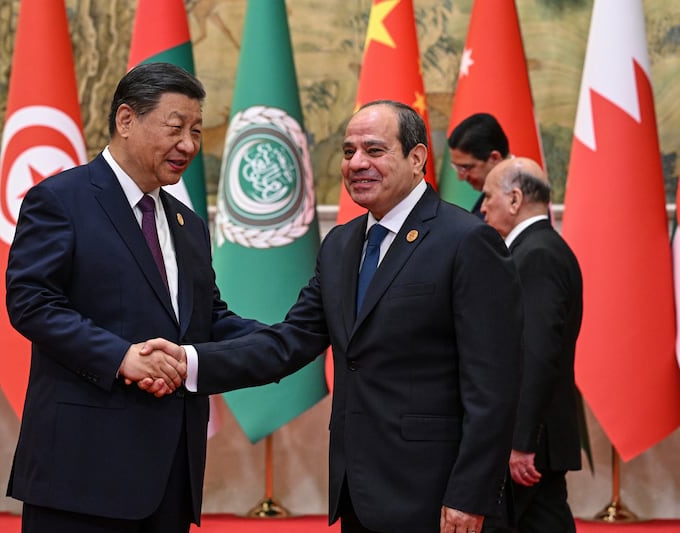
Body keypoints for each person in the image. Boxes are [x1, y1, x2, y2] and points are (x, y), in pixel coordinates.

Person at [144, 100, 524, 532]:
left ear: (416, 158)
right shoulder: (342, 245)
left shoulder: (468, 241)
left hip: (440, 498)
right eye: (347, 152)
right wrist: (188, 362)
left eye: (374, 150)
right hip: (358, 492)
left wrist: (469, 494)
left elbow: (493, 386)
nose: (357, 163)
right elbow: (290, 341)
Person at [5, 62, 260, 533]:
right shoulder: (61, 199)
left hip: (169, 477)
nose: (189, 144)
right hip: (81, 473)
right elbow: (31, 302)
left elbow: (208, 318)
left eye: (197, 130)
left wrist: (299, 334)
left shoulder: (189, 226)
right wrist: (121, 357)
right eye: (176, 127)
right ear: (126, 120)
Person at [480, 157, 583, 533]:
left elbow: (537, 353)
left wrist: (521, 441)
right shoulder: (539, 247)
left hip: (532, 438)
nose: (483, 207)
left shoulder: (536, 254)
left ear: (515, 199)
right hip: (536, 432)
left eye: (488, 196)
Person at [448, 113, 511, 216]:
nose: (460, 177)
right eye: (457, 167)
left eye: (465, 167)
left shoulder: (527, 198)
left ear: (494, 158)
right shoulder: (489, 193)